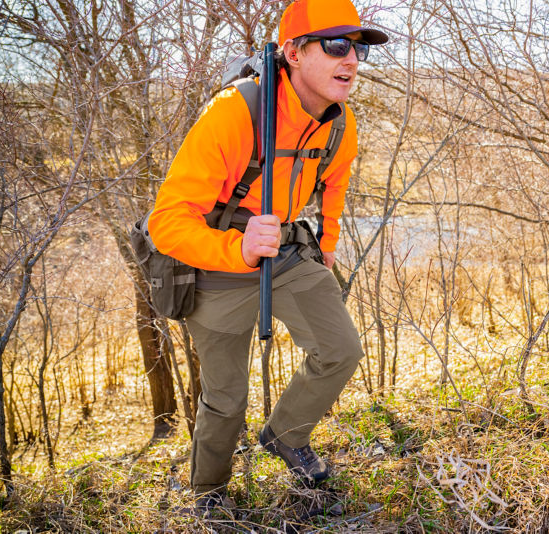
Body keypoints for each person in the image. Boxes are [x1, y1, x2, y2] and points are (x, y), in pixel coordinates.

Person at [147, 0, 388, 511]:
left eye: (359, 48)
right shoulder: (236, 112)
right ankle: (208, 493)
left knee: (339, 349)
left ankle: (286, 436)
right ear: (295, 53)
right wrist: (236, 248)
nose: (353, 61)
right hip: (213, 257)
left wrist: (324, 247)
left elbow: (335, 187)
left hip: (284, 249)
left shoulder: (339, 124)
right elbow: (165, 221)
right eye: (338, 45)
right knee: (226, 399)